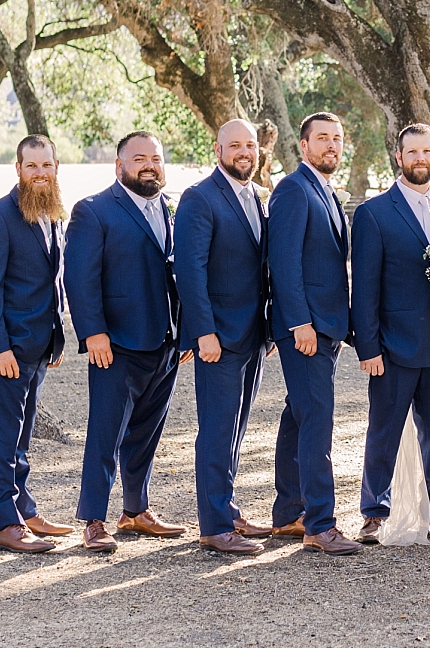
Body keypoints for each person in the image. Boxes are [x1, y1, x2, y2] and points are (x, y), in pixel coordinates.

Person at [66, 132, 190, 552]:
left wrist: (184, 330)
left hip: (165, 341)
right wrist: (93, 333)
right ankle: (94, 519)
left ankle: (135, 511)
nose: (149, 165)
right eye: (139, 158)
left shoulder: (167, 209)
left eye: (156, 157)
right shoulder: (94, 210)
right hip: (115, 343)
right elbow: (79, 279)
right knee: (105, 433)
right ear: (119, 166)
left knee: (146, 433)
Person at [174, 119, 274, 555]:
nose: (244, 153)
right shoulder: (199, 198)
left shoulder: (257, 196)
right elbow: (189, 271)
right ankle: (214, 526)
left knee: (235, 430)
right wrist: (203, 333)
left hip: (253, 335)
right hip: (218, 337)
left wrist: (268, 330)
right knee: (216, 430)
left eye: (250, 145)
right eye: (235, 146)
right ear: (218, 150)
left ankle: (228, 509)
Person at [350, 123, 430, 545]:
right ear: (399, 157)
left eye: (427, 151)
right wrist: (368, 346)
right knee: (383, 431)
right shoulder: (373, 213)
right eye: (412, 152)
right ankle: (374, 513)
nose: (420, 159)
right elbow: (364, 288)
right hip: (392, 347)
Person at [0, 134, 72, 554]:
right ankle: (4, 522)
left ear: (55, 168)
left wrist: (56, 335)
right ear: (18, 169)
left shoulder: (51, 214)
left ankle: (24, 508)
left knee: (23, 434)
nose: (40, 174)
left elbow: (51, 282)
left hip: (39, 345)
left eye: (46, 166)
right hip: (7, 351)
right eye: (32, 166)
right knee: (2, 435)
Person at [267, 113, 361, 555]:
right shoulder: (292, 189)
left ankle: (290, 512)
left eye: (337, 139)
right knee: (317, 418)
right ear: (303, 146)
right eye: (322, 138)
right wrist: (299, 322)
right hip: (305, 328)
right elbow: (282, 264)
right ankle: (320, 525)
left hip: (326, 327)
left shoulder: (322, 191)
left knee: (298, 414)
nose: (331, 146)